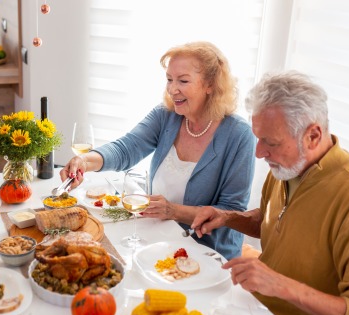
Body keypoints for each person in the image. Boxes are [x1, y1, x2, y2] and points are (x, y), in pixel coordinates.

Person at [191, 71, 349, 315]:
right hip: (256, 314)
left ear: (313, 135)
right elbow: (270, 222)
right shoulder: (285, 169)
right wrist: (228, 217)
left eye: (271, 142)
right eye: (258, 138)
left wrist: (280, 285)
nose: (259, 152)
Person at [60, 41, 255, 259]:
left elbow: (231, 212)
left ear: (210, 84)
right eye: (169, 79)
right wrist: (84, 162)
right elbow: (127, 148)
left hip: (208, 254)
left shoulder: (239, 136)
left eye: (183, 80)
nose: (172, 89)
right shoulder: (167, 115)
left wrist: (173, 211)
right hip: (157, 239)